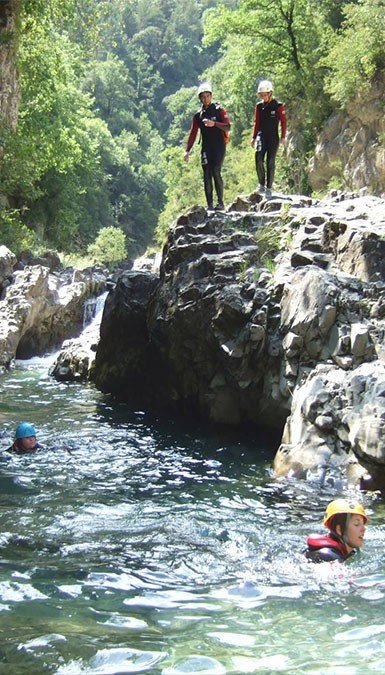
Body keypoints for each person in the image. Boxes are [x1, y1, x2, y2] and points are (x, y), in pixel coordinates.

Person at [184, 82, 231, 211]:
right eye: (202, 97)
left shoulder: (219, 110)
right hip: (206, 147)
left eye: (207, 96)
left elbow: (228, 126)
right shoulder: (198, 116)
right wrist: (187, 151)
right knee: (206, 175)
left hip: (219, 146)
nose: (205, 99)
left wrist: (214, 123)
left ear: (211, 96)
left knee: (216, 171)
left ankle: (220, 203)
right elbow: (193, 133)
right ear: (200, 98)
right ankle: (210, 205)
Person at [250, 79, 286, 198]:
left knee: (270, 161)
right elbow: (257, 122)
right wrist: (254, 137)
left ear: (270, 93)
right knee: (258, 156)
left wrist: (283, 137)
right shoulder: (259, 106)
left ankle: (269, 188)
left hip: (273, 137)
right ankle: (261, 183)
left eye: (266, 95)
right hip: (262, 135)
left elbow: (283, 121)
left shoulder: (278, 106)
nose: (264, 97)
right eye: (262, 95)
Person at [305, 499, 367, 563]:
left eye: (363, 524)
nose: (364, 529)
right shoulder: (329, 557)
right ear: (339, 530)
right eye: (357, 524)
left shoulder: (348, 552)